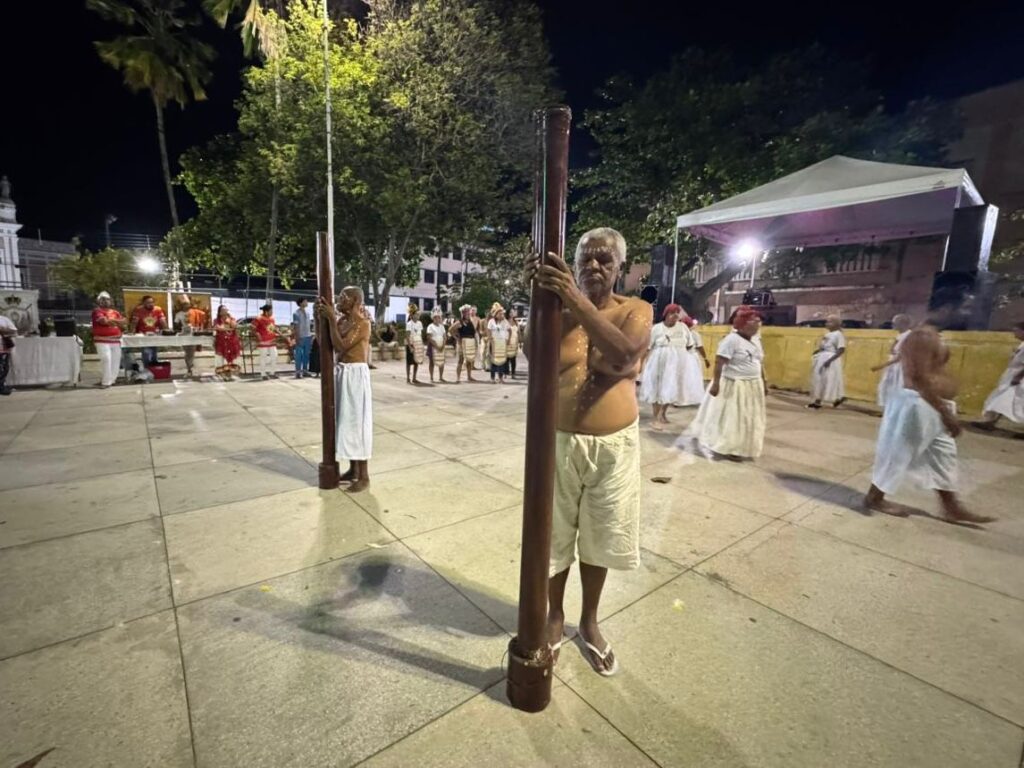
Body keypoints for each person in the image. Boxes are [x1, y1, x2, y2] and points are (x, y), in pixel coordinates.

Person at [526, 227, 652, 677]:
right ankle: (554, 615)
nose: (594, 267)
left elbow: (622, 356)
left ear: (620, 266)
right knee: (554, 536)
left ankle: (590, 621)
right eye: (586, 259)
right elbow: (533, 353)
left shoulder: (636, 310)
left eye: (604, 259)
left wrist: (575, 299)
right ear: (573, 263)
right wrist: (538, 298)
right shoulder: (557, 310)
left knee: (600, 536)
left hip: (613, 445)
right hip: (558, 441)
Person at [864, 294, 994, 524]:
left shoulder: (933, 336)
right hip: (919, 403)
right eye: (963, 307)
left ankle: (951, 507)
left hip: (932, 403)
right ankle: (874, 498)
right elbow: (918, 377)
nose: (966, 313)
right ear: (945, 308)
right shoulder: (921, 336)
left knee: (944, 456)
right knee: (898, 454)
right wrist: (945, 413)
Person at [685, 306, 767, 460]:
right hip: (735, 384)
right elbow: (719, 362)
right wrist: (716, 384)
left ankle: (742, 445)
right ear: (742, 324)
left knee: (747, 417)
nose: (758, 325)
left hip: (752, 385)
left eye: (759, 321)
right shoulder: (731, 340)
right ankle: (730, 447)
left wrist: (764, 381)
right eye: (753, 321)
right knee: (733, 417)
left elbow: (759, 362)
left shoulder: (755, 341)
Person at [319, 287, 373, 493]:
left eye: (344, 297)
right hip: (343, 373)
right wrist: (322, 320)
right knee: (346, 422)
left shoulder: (363, 324)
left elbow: (341, 346)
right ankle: (353, 469)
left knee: (358, 423)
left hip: (356, 376)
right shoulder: (342, 321)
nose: (340, 300)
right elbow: (326, 343)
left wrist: (331, 320)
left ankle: (364, 475)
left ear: (356, 300)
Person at [639, 304, 698, 429]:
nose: (675, 315)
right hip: (659, 363)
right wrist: (641, 363)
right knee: (658, 390)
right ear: (666, 314)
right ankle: (655, 418)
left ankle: (663, 414)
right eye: (672, 313)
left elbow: (690, 345)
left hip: (677, 364)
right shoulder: (657, 328)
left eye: (677, 313)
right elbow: (648, 347)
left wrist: (681, 356)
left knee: (671, 389)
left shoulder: (683, 328)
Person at [977, 320, 1024, 429]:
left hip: (1018, 379)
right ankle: (990, 422)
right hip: (1012, 377)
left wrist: (1018, 377)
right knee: (1000, 400)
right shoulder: (1021, 345)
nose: (1014, 333)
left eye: (1017, 331)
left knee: (1005, 400)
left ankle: (991, 422)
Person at [872, 314, 913, 411]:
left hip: (900, 367)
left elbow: (901, 356)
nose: (892, 325)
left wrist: (881, 366)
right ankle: (887, 408)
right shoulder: (900, 335)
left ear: (903, 323)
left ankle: (894, 409)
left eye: (895, 323)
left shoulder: (909, 336)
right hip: (893, 366)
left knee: (896, 388)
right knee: (886, 386)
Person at [808, 315, 846, 409]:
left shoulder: (838, 334)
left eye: (829, 322)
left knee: (827, 380)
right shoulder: (827, 334)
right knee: (818, 379)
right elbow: (825, 346)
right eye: (827, 322)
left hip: (830, 359)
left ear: (836, 324)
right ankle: (819, 400)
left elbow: (841, 349)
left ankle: (821, 401)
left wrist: (830, 360)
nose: (826, 324)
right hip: (822, 358)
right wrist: (818, 351)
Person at [92, 291, 126, 387]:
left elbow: (124, 322)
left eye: (107, 299)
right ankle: (106, 382)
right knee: (106, 359)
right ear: (99, 301)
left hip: (116, 340)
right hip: (102, 340)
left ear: (110, 301)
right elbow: (103, 321)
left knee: (115, 361)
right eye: (103, 299)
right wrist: (117, 322)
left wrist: (111, 321)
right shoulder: (97, 311)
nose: (106, 301)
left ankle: (112, 380)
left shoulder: (115, 312)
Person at [131, 295, 166, 367]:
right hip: (143, 335)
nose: (151, 304)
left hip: (155, 334)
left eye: (152, 302)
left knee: (154, 351)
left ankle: (154, 368)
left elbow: (162, 321)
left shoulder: (158, 309)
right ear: (143, 303)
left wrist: (166, 330)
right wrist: (132, 331)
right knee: (146, 352)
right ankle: (147, 368)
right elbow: (134, 322)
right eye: (148, 302)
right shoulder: (138, 310)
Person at [173, 297, 200, 378]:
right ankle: (189, 368)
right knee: (187, 352)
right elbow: (176, 325)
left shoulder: (195, 312)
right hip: (184, 335)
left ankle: (189, 369)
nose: (186, 306)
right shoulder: (179, 314)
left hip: (194, 335)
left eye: (187, 304)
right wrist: (183, 328)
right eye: (184, 304)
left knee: (191, 352)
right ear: (181, 305)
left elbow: (201, 321)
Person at [451, 304, 478, 383]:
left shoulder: (470, 322)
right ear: (462, 313)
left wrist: (475, 342)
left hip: (470, 343)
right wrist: (457, 338)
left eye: (468, 312)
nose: (467, 313)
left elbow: (473, 333)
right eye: (465, 312)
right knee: (461, 360)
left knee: (469, 361)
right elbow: (450, 330)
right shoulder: (459, 322)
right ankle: (458, 378)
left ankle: (469, 377)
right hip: (462, 344)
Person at [213, 306, 242, 380]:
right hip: (221, 343)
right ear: (220, 312)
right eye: (223, 310)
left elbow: (234, 326)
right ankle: (222, 375)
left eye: (226, 310)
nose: (225, 311)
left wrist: (230, 320)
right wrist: (227, 328)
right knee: (221, 359)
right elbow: (218, 328)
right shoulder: (216, 320)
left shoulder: (231, 319)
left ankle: (229, 375)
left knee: (230, 359)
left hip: (231, 343)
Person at [252, 303, 279, 379]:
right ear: (266, 311)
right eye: (271, 311)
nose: (272, 312)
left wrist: (277, 333)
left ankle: (272, 373)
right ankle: (263, 374)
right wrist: (257, 334)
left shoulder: (272, 319)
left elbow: (272, 329)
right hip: (263, 342)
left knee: (274, 356)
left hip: (272, 341)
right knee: (263, 357)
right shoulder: (258, 318)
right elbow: (252, 328)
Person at [487, 303, 512, 384]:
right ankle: (492, 378)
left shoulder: (505, 321)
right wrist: (490, 340)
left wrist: (508, 340)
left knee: (502, 361)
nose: (502, 315)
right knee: (493, 361)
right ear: (496, 314)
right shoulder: (491, 321)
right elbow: (489, 331)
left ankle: (500, 378)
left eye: (502, 313)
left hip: (502, 343)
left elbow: (510, 330)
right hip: (494, 343)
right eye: (500, 314)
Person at [292, 298, 314, 379]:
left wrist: (311, 335)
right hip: (300, 336)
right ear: (301, 303)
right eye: (305, 301)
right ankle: (298, 372)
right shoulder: (296, 313)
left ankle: (305, 371)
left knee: (306, 355)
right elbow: (296, 326)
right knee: (299, 355)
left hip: (308, 336)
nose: (307, 302)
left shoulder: (308, 313)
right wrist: (297, 337)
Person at [426, 308, 448, 383]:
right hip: (433, 346)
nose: (437, 319)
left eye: (438, 317)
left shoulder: (442, 327)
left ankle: (441, 377)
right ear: (433, 318)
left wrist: (443, 345)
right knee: (431, 362)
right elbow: (429, 337)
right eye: (435, 317)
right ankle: (431, 377)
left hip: (441, 345)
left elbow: (445, 337)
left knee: (441, 361)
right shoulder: (430, 326)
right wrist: (436, 346)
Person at [405, 304, 424, 384]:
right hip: (411, 344)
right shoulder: (409, 324)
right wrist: (410, 347)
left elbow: (420, 335)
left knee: (416, 362)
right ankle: (408, 378)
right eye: (416, 314)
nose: (418, 316)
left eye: (418, 314)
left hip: (418, 344)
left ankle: (414, 378)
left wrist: (421, 345)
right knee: (409, 362)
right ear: (412, 315)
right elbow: (407, 336)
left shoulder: (420, 323)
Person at [0, 312, 16, 395]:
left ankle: (1, 385)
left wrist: (3, 330)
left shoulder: (4, 319)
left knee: (4, 368)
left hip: (3, 348)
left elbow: (14, 331)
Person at [507, 308, 521, 379]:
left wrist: (519, 342)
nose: (512, 314)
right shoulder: (505, 321)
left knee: (513, 359)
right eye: (511, 312)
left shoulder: (516, 322)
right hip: (507, 342)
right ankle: (505, 372)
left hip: (514, 342)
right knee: (507, 359)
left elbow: (518, 333)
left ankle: (513, 373)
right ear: (508, 313)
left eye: (513, 312)